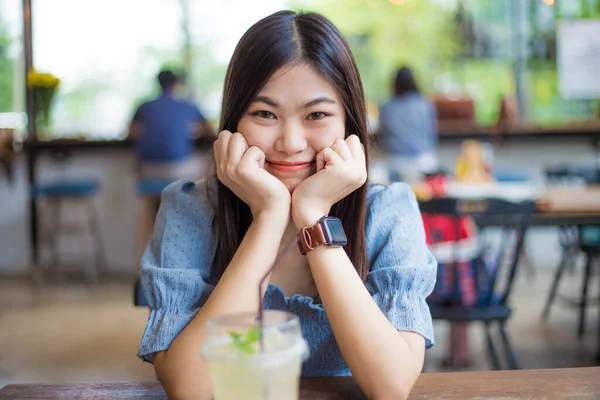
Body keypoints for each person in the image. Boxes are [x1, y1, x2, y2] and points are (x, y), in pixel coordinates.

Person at [137, 11, 436, 400]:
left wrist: (313, 216)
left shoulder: (389, 210)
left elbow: (391, 384)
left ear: (349, 123)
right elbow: (190, 387)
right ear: (233, 122)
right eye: (264, 113)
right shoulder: (189, 207)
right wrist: (269, 217)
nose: (291, 142)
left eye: (317, 114)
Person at [129, 70, 216, 264]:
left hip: (148, 171)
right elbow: (210, 129)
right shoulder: (188, 105)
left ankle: (141, 260)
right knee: (209, 168)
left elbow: (132, 131)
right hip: (178, 171)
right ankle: (198, 247)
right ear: (177, 84)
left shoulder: (144, 106)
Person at [378, 66, 438, 183]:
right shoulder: (425, 104)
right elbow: (431, 134)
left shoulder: (386, 107)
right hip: (424, 161)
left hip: (395, 163)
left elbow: (382, 136)